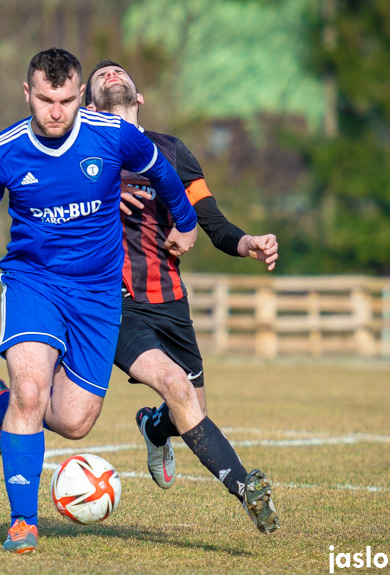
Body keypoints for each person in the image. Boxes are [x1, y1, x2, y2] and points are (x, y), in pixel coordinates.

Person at [0, 48, 198, 554]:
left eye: (65, 100)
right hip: (33, 282)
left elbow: (163, 172)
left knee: (75, 422)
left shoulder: (112, 136)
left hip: (98, 294)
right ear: (27, 94)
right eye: (44, 99)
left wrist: (185, 222)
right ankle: (22, 522)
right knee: (32, 391)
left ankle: (1, 407)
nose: (55, 112)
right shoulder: (3, 151)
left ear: (81, 96)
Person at [84, 60, 281, 535]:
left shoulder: (173, 151)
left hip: (171, 303)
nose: (112, 73)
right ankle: (245, 486)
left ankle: (155, 428)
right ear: (89, 105)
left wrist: (247, 242)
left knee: (193, 410)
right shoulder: (79, 153)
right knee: (176, 387)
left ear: (139, 96)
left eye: (119, 71)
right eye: (101, 74)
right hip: (115, 303)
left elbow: (210, 222)